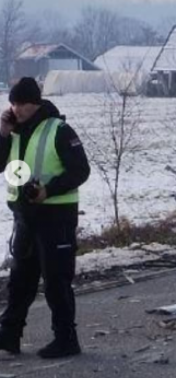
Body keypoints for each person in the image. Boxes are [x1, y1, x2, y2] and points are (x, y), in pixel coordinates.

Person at [0, 78, 90, 358]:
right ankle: (8, 336)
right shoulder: (14, 133)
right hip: (25, 216)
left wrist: (48, 191)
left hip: (56, 216)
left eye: (22, 104)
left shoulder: (58, 130)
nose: (17, 109)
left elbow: (80, 170)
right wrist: (2, 134)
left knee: (56, 281)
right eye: (13, 103)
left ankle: (66, 339)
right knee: (20, 281)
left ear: (35, 103)